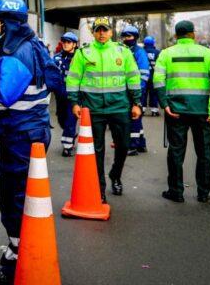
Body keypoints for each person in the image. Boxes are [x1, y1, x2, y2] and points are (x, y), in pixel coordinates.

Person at [0, 0, 63, 285]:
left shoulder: (17, 52)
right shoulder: (28, 45)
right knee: (21, 195)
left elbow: (3, 97)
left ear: (8, 24)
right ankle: (18, 252)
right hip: (29, 130)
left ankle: (17, 263)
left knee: (14, 196)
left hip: (20, 134)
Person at [67, 17, 142, 202]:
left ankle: (115, 175)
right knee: (96, 151)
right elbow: (73, 79)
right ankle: (99, 189)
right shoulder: (83, 53)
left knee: (124, 146)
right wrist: (74, 102)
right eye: (98, 30)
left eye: (105, 30)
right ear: (93, 32)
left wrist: (136, 103)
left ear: (110, 32)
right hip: (93, 110)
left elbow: (133, 78)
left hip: (119, 107)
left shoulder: (122, 52)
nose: (101, 33)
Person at [155, 20, 210, 203]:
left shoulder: (166, 54)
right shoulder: (208, 54)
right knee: (204, 152)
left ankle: (176, 191)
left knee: (176, 151)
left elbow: (158, 80)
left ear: (176, 35)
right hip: (203, 112)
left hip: (176, 110)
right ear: (193, 34)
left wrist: (164, 104)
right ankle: (204, 193)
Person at [120, 26, 150, 156]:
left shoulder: (139, 52)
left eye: (129, 36)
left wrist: (139, 91)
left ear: (135, 38)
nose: (126, 39)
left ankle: (132, 146)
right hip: (125, 91)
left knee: (134, 117)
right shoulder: (122, 51)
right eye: (125, 36)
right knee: (136, 117)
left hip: (137, 91)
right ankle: (141, 144)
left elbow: (143, 74)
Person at [54, 32, 80, 157]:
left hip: (73, 95)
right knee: (61, 119)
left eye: (68, 42)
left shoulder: (79, 58)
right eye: (64, 42)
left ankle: (67, 146)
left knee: (70, 119)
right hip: (60, 95)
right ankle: (70, 133)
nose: (65, 44)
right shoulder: (57, 58)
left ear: (74, 44)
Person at [143, 36, 161, 116]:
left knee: (143, 93)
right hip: (154, 76)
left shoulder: (141, 51)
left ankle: (142, 109)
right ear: (153, 43)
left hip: (143, 77)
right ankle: (154, 110)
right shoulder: (157, 52)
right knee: (153, 93)